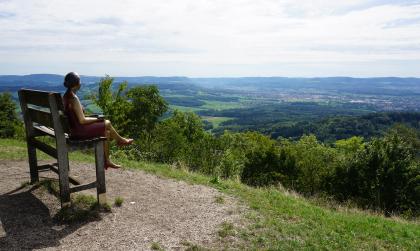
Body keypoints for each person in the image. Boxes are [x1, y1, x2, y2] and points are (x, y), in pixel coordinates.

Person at [62, 72, 133, 169]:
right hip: (80, 131)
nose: (81, 83)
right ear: (76, 84)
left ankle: (107, 161)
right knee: (107, 122)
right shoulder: (73, 98)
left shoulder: (66, 96)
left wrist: (95, 118)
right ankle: (121, 141)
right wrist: (97, 119)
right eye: (80, 81)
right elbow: (82, 120)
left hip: (74, 130)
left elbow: (77, 117)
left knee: (106, 132)